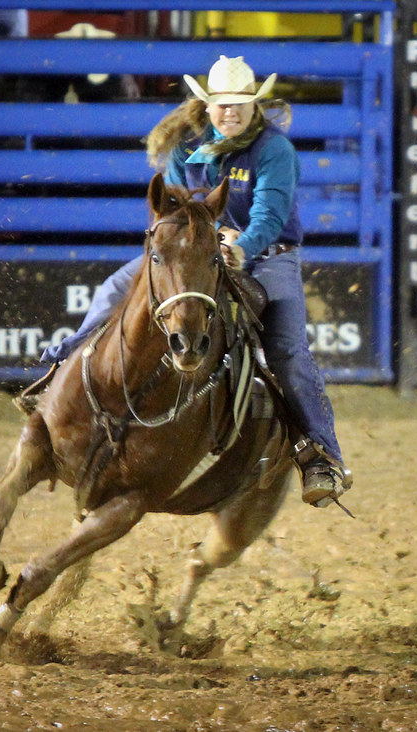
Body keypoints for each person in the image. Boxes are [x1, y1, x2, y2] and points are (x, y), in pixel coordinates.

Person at [41, 56, 351, 508]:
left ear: (254, 107)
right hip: (193, 255)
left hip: (268, 255)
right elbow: (171, 205)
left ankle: (322, 455)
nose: (231, 112)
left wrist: (241, 246)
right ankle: (57, 370)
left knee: (286, 349)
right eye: (223, 105)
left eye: (240, 104)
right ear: (208, 106)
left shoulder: (273, 150)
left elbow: (270, 213)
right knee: (115, 293)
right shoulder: (189, 148)